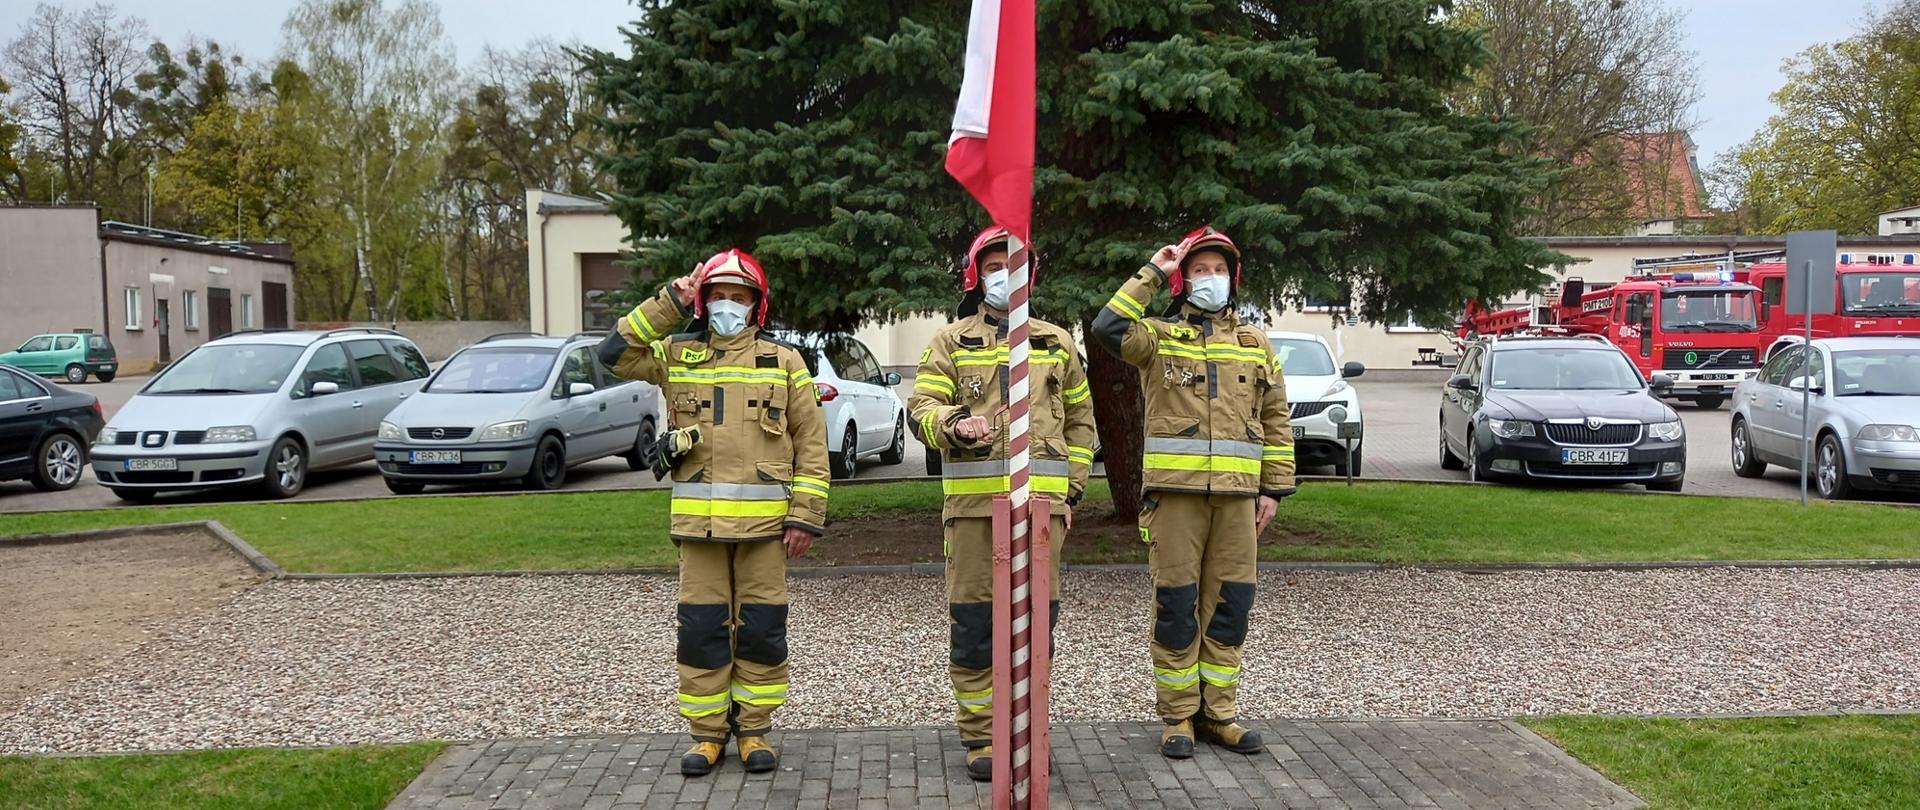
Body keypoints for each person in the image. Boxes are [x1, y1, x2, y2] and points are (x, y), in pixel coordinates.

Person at [597, 248, 830, 777]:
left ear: (756, 305)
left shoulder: (784, 361)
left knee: (761, 630)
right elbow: (612, 353)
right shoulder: (677, 353)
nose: (728, 305)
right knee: (701, 631)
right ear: (704, 303)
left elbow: (811, 444)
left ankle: (755, 731)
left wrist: (805, 515)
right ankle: (706, 735)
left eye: (739, 297)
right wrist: (671, 301)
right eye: (718, 296)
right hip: (699, 530)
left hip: (767, 530)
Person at [1090, 225, 1297, 760]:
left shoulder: (1255, 344)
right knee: (1177, 607)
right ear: (1184, 280)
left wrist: (1274, 489)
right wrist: (1155, 270)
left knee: (1230, 608)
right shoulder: (1157, 336)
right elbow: (1108, 326)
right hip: (1174, 500)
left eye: (1219, 270)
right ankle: (1179, 715)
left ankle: (1219, 714)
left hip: (1238, 502)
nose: (1211, 279)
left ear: (1234, 279)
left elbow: (1275, 417)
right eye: (1200, 270)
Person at [907, 226, 1097, 781]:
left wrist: (1073, 488)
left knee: (1039, 620)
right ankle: (981, 735)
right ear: (975, 273)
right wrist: (952, 424)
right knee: (975, 620)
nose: (1003, 274)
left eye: (1013, 264)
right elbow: (920, 407)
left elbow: (1082, 424)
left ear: (1030, 275)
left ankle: (1027, 726)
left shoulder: (1057, 343)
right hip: (973, 512)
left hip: (1042, 512)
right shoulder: (948, 342)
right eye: (993, 264)